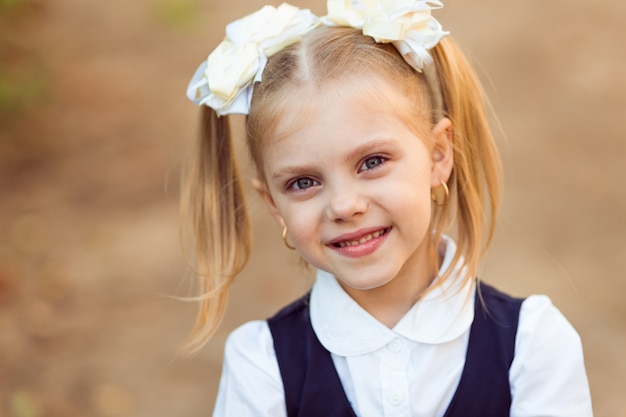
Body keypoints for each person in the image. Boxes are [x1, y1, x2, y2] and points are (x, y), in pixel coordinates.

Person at [182, 1, 593, 416]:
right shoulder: (261, 364)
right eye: (303, 183)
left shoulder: (533, 344)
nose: (344, 205)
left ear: (437, 155)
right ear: (274, 205)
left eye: (372, 162)